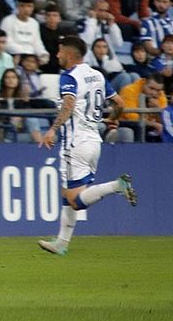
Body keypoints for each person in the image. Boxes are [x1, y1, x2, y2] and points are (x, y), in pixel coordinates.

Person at [36, 36, 141, 255]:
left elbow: (68, 104)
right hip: (94, 142)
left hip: (75, 143)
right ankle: (62, 243)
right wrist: (112, 119)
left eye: (60, 51)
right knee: (67, 193)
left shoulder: (69, 77)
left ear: (70, 54)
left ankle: (117, 185)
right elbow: (120, 103)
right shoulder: (97, 75)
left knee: (75, 201)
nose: (57, 55)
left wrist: (53, 129)